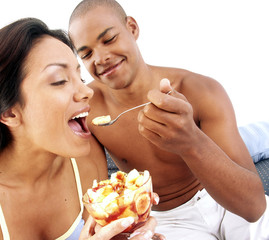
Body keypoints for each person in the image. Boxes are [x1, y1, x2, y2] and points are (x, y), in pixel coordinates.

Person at [0, 17, 162, 240]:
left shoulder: (86, 160)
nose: (87, 91)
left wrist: (128, 233)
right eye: (59, 81)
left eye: (80, 76)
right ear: (9, 112)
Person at [68, 0, 269, 239]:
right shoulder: (88, 111)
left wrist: (190, 141)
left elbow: (253, 207)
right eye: (87, 53)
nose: (100, 58)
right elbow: (94, 198)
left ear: (132, 28)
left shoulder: (201, 90)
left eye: (109, 39)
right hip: (166, 220)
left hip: (223, 198)